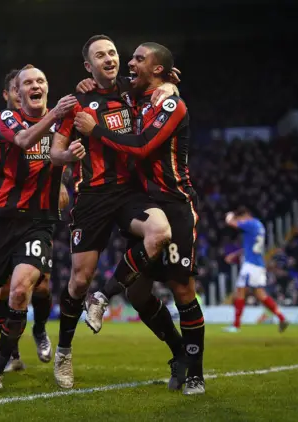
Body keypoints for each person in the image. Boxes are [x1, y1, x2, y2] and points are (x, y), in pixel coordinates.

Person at [74, 42, 205, 395]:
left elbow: (143, 146)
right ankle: (178, 352)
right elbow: (107, 91)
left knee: (182, 289)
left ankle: (195, 372)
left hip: (175, 205)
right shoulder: (137, 99)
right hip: (145, 203)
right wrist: (85, 85)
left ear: (158, 69)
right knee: (139, 291)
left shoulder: (171, 103)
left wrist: (95, 131)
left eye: (138, 58)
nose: (129, 63)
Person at [50, 35, 179, 390]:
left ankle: (103, 296)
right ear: (88, 67)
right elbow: (54, 153)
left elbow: (163, 81)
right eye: (99, 55)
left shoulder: (130, 88)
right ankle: (63, 351)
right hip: (90, 197)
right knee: (78, 280)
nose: (109, 58)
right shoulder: (78, 101)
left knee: (159, 232)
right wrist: (68, 156)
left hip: (129, 192)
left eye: (111, 53)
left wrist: (168, 83)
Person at [0, 65, 79, 390]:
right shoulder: (8, 120)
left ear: (47, 88)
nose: (35, 86)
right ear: (17, 94)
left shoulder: (65, 124)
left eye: (41, 81)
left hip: (39, 221)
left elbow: (62, 156)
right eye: (27, 83)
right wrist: (56, 115)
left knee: (21, 291)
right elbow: (23, 140)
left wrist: (68, 168)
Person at [223, 206, 288, 333]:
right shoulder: (258, 225)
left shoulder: (250, 223)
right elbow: (250, 246)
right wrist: (235, 255)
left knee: (240, 291)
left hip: (250, 265)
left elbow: (231, 223)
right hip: (258, 263)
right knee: (260, 294)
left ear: (245, 215)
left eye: (240, 218)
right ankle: (281, 318)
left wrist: (230, 215)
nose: (241, 221)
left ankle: (236, 326)